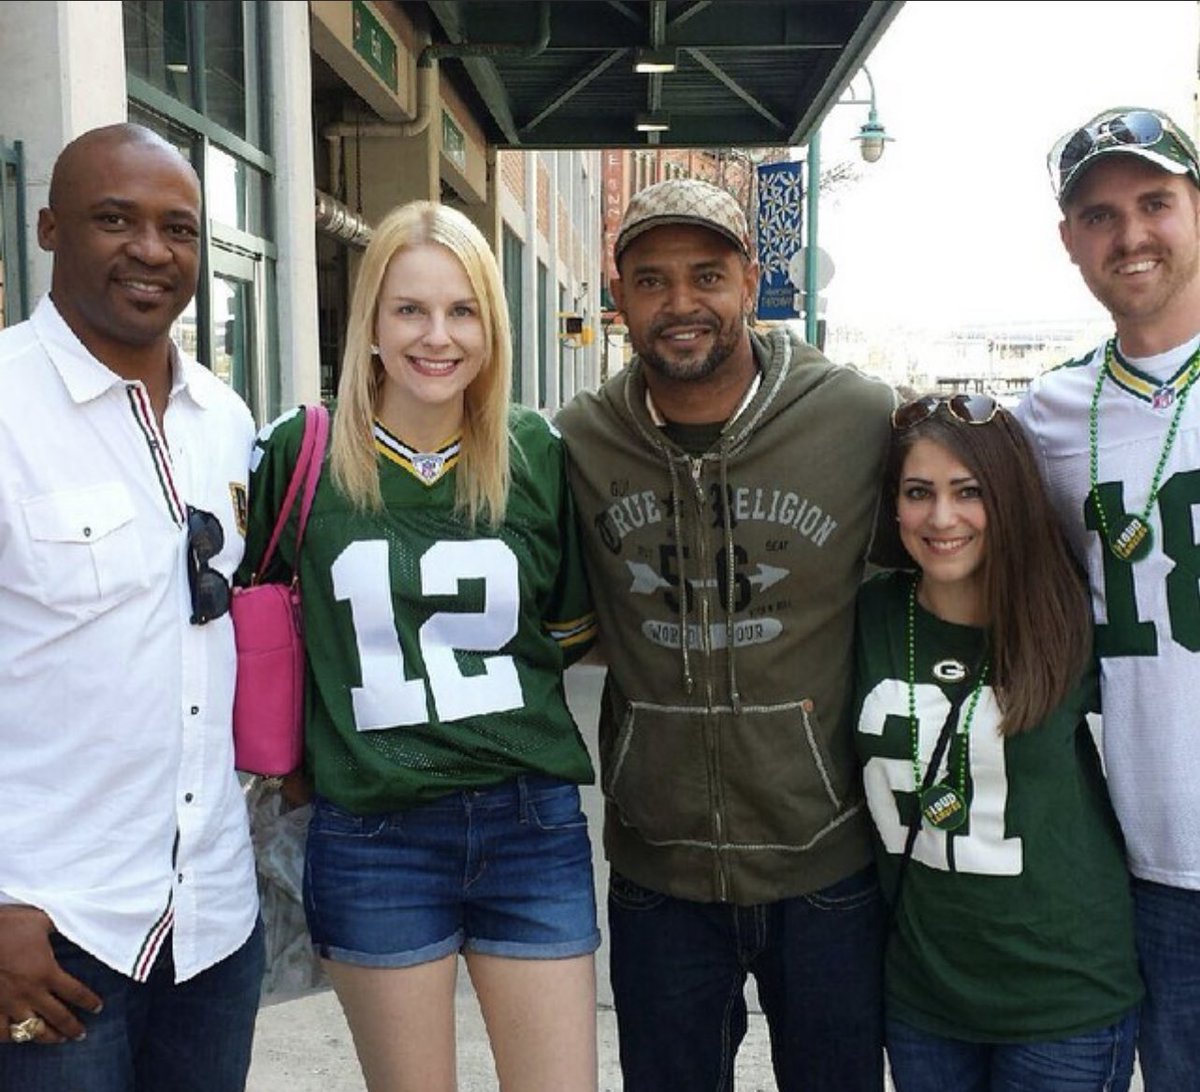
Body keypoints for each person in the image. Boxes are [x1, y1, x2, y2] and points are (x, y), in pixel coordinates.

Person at [240, 199, 600, 1092]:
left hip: (528, 821)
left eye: (462, 309)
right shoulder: (301, 451)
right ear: (369, 322)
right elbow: (256, 621)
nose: (437, 336)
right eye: (410, 309)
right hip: (373, 830)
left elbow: (561, 629)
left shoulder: (536, 452)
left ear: (492, 325)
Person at [556, 177, 894, 1090]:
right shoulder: (580, 441)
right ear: (617, 295)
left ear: (749, 280)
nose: (681, 304)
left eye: (706, 274)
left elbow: (954, 555)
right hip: (656, 871)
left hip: (823, 858)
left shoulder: (857, 417)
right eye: (652, 279)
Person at [0, 123, 263, 1090]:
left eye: (178, 228)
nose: (151, 250)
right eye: (115, 219)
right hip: (46, 937)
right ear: (48, 228)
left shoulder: (227, 423)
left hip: (213, 933)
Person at [854, 393, 1143, 1090]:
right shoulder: (866, 616)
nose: (942, 518)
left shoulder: (1068, 612)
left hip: (1065, 999)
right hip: (925, 999)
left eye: (969, 492)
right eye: (918, 493)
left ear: (1007, 498)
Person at [1014, 105, 1200, 1089]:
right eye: (1098, 215)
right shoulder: (1046, 416)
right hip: (1155, 868)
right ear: (1069, 242)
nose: (1129, 234)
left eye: (1155, 202)